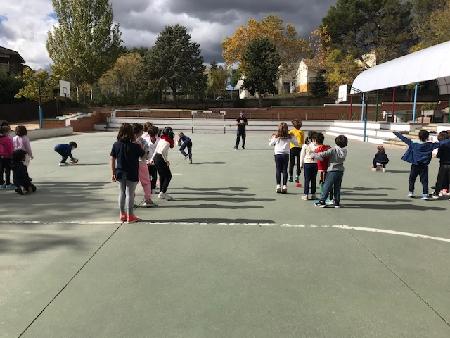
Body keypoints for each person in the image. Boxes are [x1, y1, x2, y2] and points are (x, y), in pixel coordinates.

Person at [393, 130, 450, 200]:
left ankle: (411, 192)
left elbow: (404, 139)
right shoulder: (430, 145)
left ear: (419, 136)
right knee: (424, 181)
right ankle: (425, 194)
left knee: (412, 179)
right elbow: (441, 143)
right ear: (427, 137)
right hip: (424, 166)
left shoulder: (413, 143)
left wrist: (396, 133)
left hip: (415, 165)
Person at [110, 123, 145, 223]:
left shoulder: (116, 145)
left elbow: (112, 159)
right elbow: (143, 156)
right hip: (131, 172)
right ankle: (130, 216)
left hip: (120, 171)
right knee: (130, 194)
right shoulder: (135, 146)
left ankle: (122, 214)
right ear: (131, 133)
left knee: (121, 193)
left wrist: (113, 172)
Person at [313, 135, 348, 208]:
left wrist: (315, 154)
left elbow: (324, 154)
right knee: (337, 187)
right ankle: (337, 202)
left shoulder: (333, 149)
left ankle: (322, 201)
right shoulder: (345, 151)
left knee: (327, 186)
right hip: (340, 170)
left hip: (332, 170)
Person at [269, 122, 299, 194]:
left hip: (278, 154)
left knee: (278, 170)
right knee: (285, 170)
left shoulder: (276, 136)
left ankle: (278, 185)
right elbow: (296, 143)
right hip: (286, 154)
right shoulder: (289, 136)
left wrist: (271, 139)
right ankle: (285, 186)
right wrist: (293, 137)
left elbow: (270, 144)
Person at [151, 126, 175, 200]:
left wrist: (152, 159)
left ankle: (162, 192)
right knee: (168, 176)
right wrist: (166, 161)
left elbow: (156, 150)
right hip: (161, 158)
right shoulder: (167, 141)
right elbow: (162, 152)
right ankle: (162, 193)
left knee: (162, 176)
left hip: (156, 158)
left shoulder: (161, 139)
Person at [133, 123, 154, 208]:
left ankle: (130, 200)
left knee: (132, 183)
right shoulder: (142, 141)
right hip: (141, 162)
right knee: (146, 182)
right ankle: (148, 200)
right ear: (141, 131)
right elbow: (147, 153)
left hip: (131, 163)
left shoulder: (129, 140)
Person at [300, 131, 318, 200]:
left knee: (307, 179)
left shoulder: (305, 145)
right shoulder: (316, 145)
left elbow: (302, 155)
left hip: (307, 163)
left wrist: (301, 164)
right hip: (315, 163)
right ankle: (313, 194)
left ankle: (306, 194)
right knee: (313, 179)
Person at [315, 132, 332, 201]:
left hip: (320, 168)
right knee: (327, 181)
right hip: (328, 167)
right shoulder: (328, 147)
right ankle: (327, 195)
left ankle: (323, 195)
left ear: (316, 141)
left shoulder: (317, 149)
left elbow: (315, 157)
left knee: (322, 181)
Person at [433, 131, 450, 198]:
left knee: (440, 179)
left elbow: (439, 155)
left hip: (444, 164)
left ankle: (436, 193)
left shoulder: (442, 144)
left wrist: (436, 155)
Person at [144, 125, 159, 192]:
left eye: (153, 135)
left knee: (155, 177)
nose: (152, 137)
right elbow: (143, 150)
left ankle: (152, 188)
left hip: (155, 161)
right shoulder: (145, 140)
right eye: (150, 135)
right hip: (146, 161)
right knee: (147, 176)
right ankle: (149, 189)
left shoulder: (159, 140)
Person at [0, 123, 14, 189]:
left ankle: (1, 184)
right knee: (7, 171)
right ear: (6, 132)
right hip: (7, 157)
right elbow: (10, 149)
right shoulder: (8, 139)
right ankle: (8, 184)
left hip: (0, 157)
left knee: (1, 171)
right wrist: (12, 155)